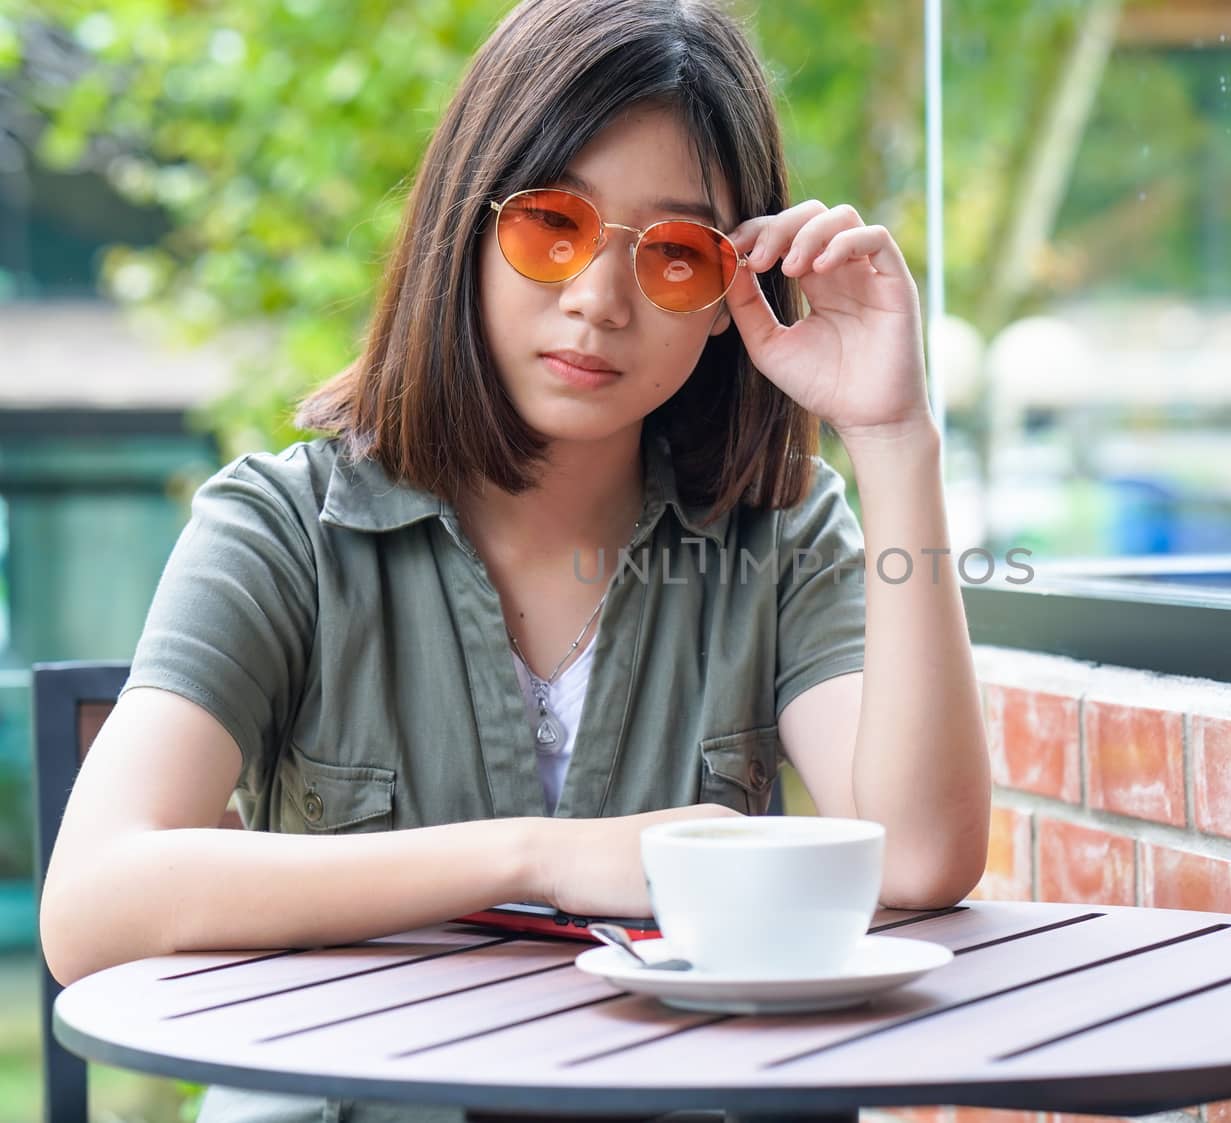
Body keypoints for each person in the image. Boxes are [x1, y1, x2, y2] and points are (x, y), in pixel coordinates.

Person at [39, 0, 991, 1119]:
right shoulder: (282, 527)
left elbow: (923, 859)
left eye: (675, 255)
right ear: (464, 226)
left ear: (735, 296)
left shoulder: (776, 536)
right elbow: (94, 902)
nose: (599, 299)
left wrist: (893, 438)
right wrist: (538, 857)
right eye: (551, 227)